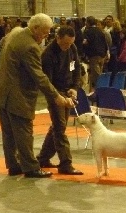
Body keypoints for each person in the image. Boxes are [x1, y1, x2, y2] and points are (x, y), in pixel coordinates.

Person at [0, 13, 75, 178]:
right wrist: (57, 97)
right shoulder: (30, 46)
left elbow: (2, 45)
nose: (46, 36)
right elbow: (39, 77)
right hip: (17, 94)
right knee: (24, 131)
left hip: (1, 90)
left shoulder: (16, 33)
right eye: (44, 32)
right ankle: (31, 167)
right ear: (35, 28)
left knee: (8, 132)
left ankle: (14, 166)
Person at [35, 25, 83, 175]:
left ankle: (42, 158)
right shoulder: (48, 55)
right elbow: (47, 82)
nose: (67, 46)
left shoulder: (72, 48)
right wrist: (58, 97)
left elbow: (76, 69)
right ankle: (65, 163)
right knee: (60, 128)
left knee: (58, 126)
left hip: (68, 90)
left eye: (70, 43)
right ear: (57, 38)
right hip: (55, 93)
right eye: (65, 43)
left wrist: (74, 87)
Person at [82, 16, 108, 92]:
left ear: (88, 23)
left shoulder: (88, 31)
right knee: (100, 72)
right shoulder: (101, 31)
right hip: (102, 55)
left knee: (96, 76)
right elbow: (105, 43)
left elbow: (85, 42)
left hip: (94, 55)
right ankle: (97, 90)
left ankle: (99, 92)